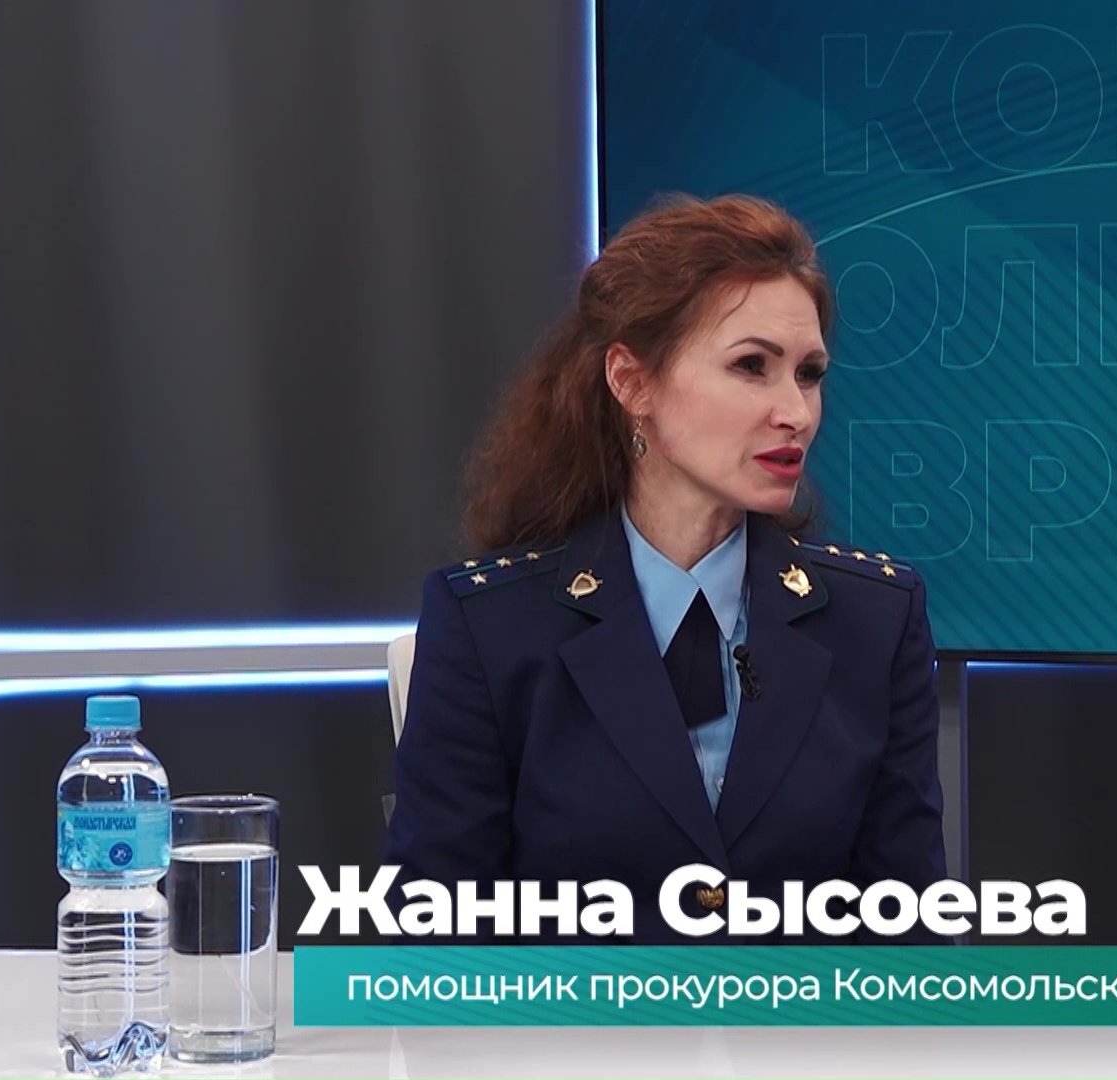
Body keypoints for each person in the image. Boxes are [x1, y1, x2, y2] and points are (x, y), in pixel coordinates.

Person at [382, 193, 948, 943]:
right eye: (751, 366)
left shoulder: (877, 622)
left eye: (809, 374)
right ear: (632, 382)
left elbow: (910, 941)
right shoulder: (488, 627)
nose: (797, 412)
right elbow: (433, 950)